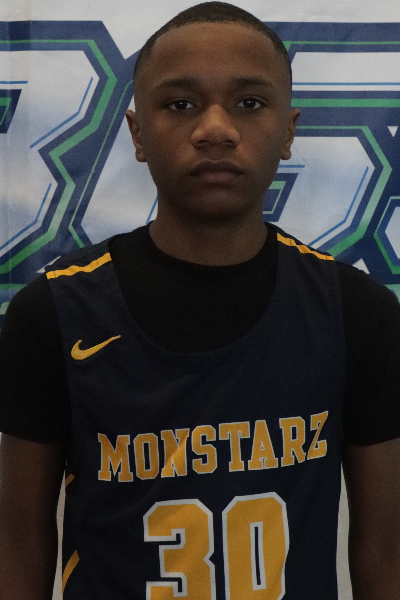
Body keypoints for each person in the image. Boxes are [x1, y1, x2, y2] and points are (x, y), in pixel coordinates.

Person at [1, 2, 400, 599]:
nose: (216, 129)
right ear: (138, 133)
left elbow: (384, 549)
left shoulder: (357, 313)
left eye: (249, 103)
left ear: (289, 130)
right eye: (180, 104)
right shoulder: (54, 312)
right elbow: (20, 544)